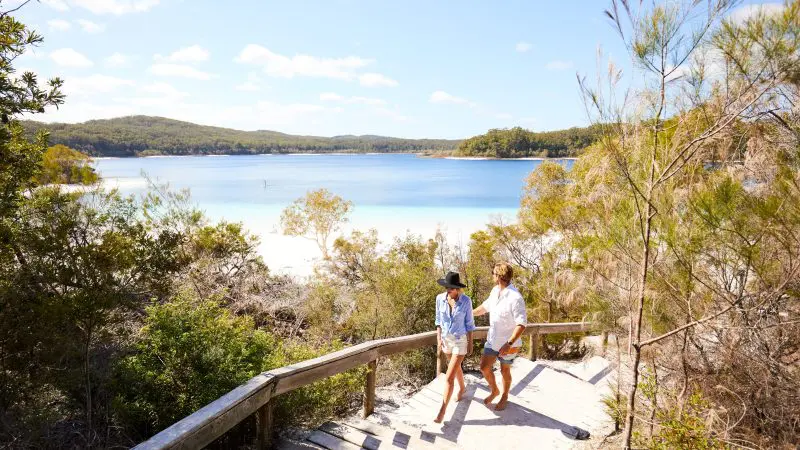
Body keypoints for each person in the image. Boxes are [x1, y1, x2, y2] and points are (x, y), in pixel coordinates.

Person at [473, 262, 526, 411]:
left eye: (493, 273)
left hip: (509, 344)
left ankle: (504, 396)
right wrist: (469, 314)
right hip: (492, 340)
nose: (492, 275)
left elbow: (521, 324)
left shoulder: (515, 297)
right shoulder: (495, 291)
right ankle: (494, 390)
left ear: (499, 276)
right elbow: (484, 307)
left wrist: (508, 343)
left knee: (505, 371)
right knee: (484, 367)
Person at [433, 271, 475, 423]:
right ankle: (463, 388)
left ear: (458, 289)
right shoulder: (439, 299)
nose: (448, 290)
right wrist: (439, 338)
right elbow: (438, 320)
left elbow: (470, 324)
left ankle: (442, 411)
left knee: (449, 376)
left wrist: (470, 343)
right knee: (456, 367)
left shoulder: (466, 301)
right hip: (446, 340)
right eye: (447, 288)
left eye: (451, 288)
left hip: (460, 340)